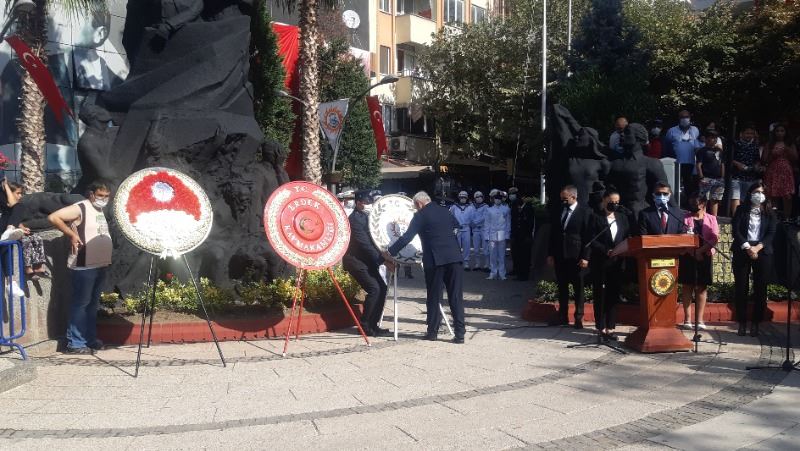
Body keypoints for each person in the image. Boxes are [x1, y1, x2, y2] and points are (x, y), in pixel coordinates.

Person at [385, 191, 466, 343]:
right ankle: (460, 334)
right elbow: (456, 227)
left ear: (419, 204)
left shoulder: (420, 216)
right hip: (454, 258)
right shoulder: (445, 211)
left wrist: (390, 252)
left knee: (434, 297)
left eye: (415, 206)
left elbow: (406, 237)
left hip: (435, 260)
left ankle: (433, 332)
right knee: (456, 296)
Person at [48, 180, 114, 354]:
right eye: (100, 195)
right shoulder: (81, 207)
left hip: (100, 264)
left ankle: (89, 340)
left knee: (92, 305)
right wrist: (71, 234)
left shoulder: (99, 210)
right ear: (91, 194)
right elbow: (54, 217)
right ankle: (75, 343)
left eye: (106, 196)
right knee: (81, 304)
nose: (103, 199)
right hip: (84, 265)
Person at [341, 190, 394, 338]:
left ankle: (373, 325)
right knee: (374, 289)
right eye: (366, 202)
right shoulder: (354, 220)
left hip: (367, 261)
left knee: (382, 288)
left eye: (370, 202)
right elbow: (366, 245)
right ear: (358, 203)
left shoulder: (367, 217)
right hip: (356, 261)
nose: (369, 205)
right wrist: (384, 262)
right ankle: (364, 326)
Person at [585, 189, 631, 341]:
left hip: (617, 263)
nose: (614, 204)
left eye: (617, 202)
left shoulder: (622, 218)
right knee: (601, 295)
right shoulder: (595, 217)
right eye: (611, 202)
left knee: (613, 295)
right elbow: (591, 239)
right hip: (601, 262)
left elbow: (626, 237)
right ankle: (601, 327)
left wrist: (621, 250)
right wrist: (606, 250)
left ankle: (611, 328)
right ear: (604, 201)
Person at [731, 183, 776, 337]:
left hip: (762, 251)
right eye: (756, 192)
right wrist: (747, 247)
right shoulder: (741, 209)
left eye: (762, 192)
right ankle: (742, 322)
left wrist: (757, 248)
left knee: (760, 288)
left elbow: (771, 233)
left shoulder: (770, 212)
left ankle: (756, 322)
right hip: (743, 249)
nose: (759, 195)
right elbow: (736, 230)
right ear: (750, 193)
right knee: (741, 287)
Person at [547, 185, 591, 328]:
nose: (563, 201)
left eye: (565, 199)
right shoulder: (559, 210)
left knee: (578, 288)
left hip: (576, 257)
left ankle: (578, 317)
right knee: (562, 287)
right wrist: (550, 254)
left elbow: (588, 237)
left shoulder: (585, 212)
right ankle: (562, 316)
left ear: (574, 197)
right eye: (562, 199)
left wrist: (585, 257)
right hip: (560, 256)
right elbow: (553, 234)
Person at [679, 193, 719, 330]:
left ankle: (700, 320)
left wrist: (700, 251)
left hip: (704, 255)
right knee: (687, 286)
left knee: (702, 287)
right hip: (688, 255)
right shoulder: (684, 218)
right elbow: (681, 236)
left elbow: (714, 238)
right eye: (691, 203)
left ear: (703, 204)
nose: (692, 206)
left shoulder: (712, 219)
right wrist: (693, 252)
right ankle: (687, 319)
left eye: (695, 203)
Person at [664, 110, 701, 205]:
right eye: (682, 117)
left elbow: (698, 145)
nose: (685, 119)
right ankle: (672, 204)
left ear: (690, 118)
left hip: (690, 163)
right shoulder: (671, 131)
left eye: (686, 117)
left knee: (689, 186)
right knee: (673, 184)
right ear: (679, 118)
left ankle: (689, 205)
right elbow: (667, 146)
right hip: (676, 163)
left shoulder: (695, 130)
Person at [761, 123, 797, 218]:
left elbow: (795, 158)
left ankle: (787, 218)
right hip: (773, 171)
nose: (780, 133)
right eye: (777, 131)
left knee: (787, 195)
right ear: (774, 133)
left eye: (782, 131)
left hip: (786, 171)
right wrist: (773, 154)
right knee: (773, 194)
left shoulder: (790, 143)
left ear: (786, 132)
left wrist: (787, 149)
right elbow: (764, 160)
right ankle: (773, 217)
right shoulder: (770, 144)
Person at [729, 124, 762, 216]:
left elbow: (757, 160)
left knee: (747, 198)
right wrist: (737, 164)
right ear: (741, 134)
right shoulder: (735, 144)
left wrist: (756, 166)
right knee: (735, 197)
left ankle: (744, 218)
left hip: (750, 177)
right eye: (747, 133)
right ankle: (736, 217)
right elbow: (728, 158)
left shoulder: (755, 146)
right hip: (736, 176)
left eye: (751, 133)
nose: (749, 135)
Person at [696, 128, 725, 216]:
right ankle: (702, 218)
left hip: (718, 179)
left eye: (715, 137)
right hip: (706, 178)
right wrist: (701, 177)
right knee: (703, 199)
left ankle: (713, 219)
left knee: (715, 200)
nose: (713, 139)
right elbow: (698, 165)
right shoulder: (702, 151)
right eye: (710, 137)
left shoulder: (720, 151)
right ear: (706, 139)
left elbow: (722, 164)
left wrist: (722, 177)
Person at [509, 187, 535, 281]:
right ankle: (519, 273)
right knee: (518, 255)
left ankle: (524, 275)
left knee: (525, 257)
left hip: (525, 236)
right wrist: (513, 235)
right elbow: (514, 222)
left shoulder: (529, 208)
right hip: (518, 236)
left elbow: (530, 223)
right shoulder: (516, 206)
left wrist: (529, 236)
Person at [485, 190, 511, 280]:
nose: (498, 200)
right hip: (492, 234)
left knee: (501, 255)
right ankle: (493, 273)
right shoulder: (489, 210)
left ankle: (502, 273)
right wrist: (486, 236)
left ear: (501, 199)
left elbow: (508, 223)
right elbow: (487, 223)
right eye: (496, 198)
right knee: (492, 255)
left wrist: (507, 235)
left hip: (502, 234)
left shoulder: (506, 209)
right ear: (493, 199)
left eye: (499, 198)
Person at [450, 191, 473, 270]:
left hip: (466, 228)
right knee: (457, 246)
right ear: (459, 198)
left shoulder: (470, 207)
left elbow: (472, 218)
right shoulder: (454, 207)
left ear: (467, 198)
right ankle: (457, 262)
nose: (463, 199)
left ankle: (466, 262)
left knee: (467, 246)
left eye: (464, 198)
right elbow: (451, 217)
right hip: (457, 229)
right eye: (461, 197)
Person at [468, 191, 489, 272]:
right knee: (476, 249)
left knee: (485, 249)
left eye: (480, 196)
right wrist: (471, 223)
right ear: (474, 198)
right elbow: (469, 216)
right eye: (477, 197)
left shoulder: (486, 206)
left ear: (482, 197)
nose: (479, 198)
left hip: (483, 229)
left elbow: (484, 217)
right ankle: (477, 264)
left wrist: (475, 223)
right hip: (475, 230)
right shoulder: (471, 206)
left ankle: (487, 264)